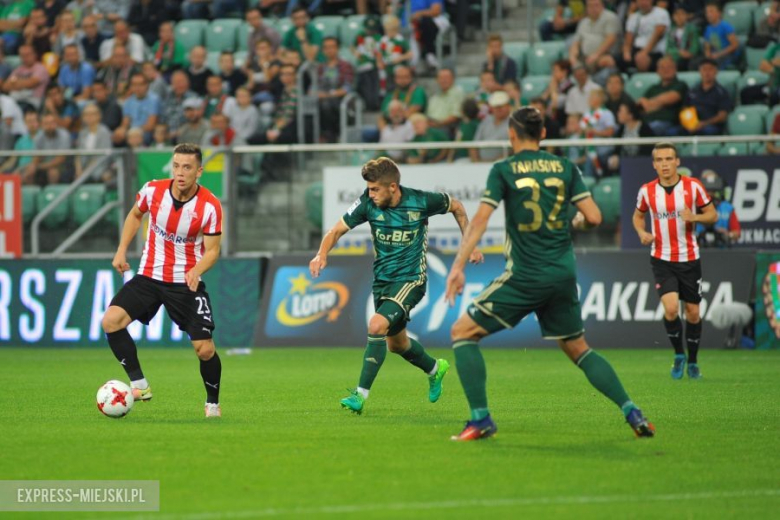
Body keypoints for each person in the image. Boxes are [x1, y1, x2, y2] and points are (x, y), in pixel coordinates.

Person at [444, 106, 655, 441]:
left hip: (526, 273)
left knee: (462, 332)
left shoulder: (504, 170)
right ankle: (632, 411)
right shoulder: (565, 167)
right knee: (578, 348)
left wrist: (457, 267)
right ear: (543, 134)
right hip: (562, 273)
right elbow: (595, 217)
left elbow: (482, 219)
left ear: (511, 134)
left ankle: (480, 419)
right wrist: (577, 221)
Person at [309, 157, 484, 415]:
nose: (371, 194)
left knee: (376, 325)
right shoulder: (367, 204)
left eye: (375, 189)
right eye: (369, 189)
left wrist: (470, 244)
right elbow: (336, 230)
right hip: (383, 282)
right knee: (397, 345)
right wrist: (321, 254)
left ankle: (359, 396)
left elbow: (457, 207)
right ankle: (436, 369)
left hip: (411, 280)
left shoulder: (421, 201)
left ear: (393, 187)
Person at [101, 143, 225, 418]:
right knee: (111, 321)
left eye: (187, 167)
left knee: (204, 349)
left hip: (185, 283)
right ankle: (139, 384)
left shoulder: (210, 206)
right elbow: (135, 215)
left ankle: (212, 404)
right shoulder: (153, 190)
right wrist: (121, 250)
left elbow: (214, 250)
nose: (180, 173)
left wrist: (196, 269)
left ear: (199, 171)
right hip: (149, 276)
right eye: (177, 166)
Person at [632, 142, 717, 380]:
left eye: (669, 159)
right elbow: (637, 217)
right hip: (661, 258)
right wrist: (641, 232)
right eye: (659, 160)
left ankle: (693, 361)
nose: (665, 164)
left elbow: (713, 214)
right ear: (654, 165)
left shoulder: (693, 187)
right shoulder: (647, 191)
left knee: (692, 313)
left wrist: (695, 216)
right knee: (670, 309)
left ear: (677, 162)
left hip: (690, 258)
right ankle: (679, 354)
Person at [696, 170, 740, 248]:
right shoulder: (693, 206)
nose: (710, 189)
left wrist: (728, 235)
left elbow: (737, 233)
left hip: (721, 252)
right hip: (698, 251)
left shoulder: (727, 207)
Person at [703, 1, 741, 69]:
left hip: (728, 55)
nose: (709, 14)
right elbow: (707, 46)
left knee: (716, 63)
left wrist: (719, 54)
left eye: (711, 11)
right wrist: (708, 56)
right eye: (707, 12)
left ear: (719, 13)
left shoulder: (725, 26)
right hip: (715, 55)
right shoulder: (708, 29)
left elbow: (735, 45)